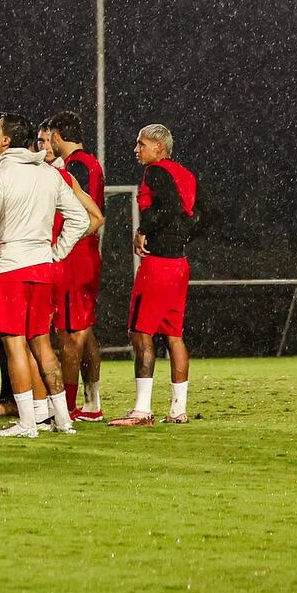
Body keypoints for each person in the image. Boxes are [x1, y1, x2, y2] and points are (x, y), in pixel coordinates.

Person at [0, 113, 89, 439]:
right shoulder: (50, 174)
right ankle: (63, 419)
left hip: (9, 268)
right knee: (43, 344)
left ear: (6, 140)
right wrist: (55, 252)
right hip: (41, 268)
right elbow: (79, 219)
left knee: (15, 347)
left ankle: (27, 423)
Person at [110, 124, 207, 428]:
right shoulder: (186, 173)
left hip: (159, 266)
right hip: (179, 263)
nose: (136, 150)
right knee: (174, 336)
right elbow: (206, 212)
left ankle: (142, 410)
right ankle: (178, 409)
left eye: (141, 144)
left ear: (159, 148)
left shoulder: (155, 172)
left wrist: (143, 230)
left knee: (141, 333)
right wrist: (182, 237)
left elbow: (169, 209)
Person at [40, 111, 106, 419]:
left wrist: (61, 247)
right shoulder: (89, 162)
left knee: (69, 335)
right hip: (85, 255)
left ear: (57, 135)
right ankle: (92, 403)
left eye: (49, 136)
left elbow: (87, 216)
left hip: (74, 257)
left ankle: (65, 406)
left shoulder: (74, 166)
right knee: (86, 333)